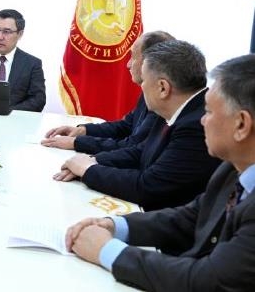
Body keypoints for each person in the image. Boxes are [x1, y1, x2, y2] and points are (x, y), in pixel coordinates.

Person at [66, 54, 255, 291]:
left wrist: (106, 250)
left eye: (208, 112)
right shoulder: (232, 168)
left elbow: (208, 280)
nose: (203, 121)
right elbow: (191, 217)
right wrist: (114, 225)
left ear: (241, 124)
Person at [54, 40, 221, 210]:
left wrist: (89, 170)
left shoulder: (197, 125)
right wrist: (92, 160)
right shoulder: (177, 107)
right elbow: (140, 151)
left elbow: (148, 187)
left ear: (163, 88)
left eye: (144, 81)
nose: (142, 87)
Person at [41, 31, 174, 154]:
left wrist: (77, 143)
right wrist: (84, 130)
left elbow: (132, 147)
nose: (128, 65)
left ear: (150, 62)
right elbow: (126, 126)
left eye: (133, 57)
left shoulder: (163, 100)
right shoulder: (149, 90)